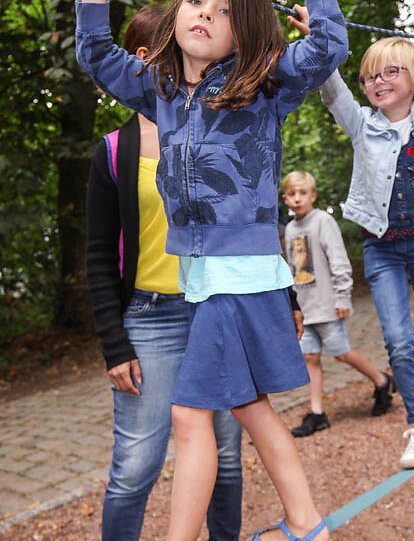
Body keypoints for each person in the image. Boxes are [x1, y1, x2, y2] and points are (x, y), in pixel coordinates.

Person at [76, 1, 348, 540]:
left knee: (189, 416)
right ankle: (305, 524)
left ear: (243, 30)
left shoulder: (264, 82)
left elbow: (327, 46)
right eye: (197, 3)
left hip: (240, 277)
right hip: (204, 281)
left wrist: (321, 9)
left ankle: (294, 525)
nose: (205, 15)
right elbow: (96, 54)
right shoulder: (161, 90)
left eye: (223, 11)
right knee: (250, 407)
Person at [289, 0, 414, 469]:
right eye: (369, 77)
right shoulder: (361, 125)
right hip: (383, 250)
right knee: (398, 341)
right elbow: (332, 89)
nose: (377, 82)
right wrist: (319, 39)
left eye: (389, 72)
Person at [85, 5, 243, 540]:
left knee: (226, 458)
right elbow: (99, 255)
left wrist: (285, 299)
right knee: (134, 469)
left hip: (219, 310)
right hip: (149, 320)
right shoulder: (113, 151)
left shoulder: (222, 133)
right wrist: (115, 345)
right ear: (142, 61)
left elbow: (248, 225)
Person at [282, 171, 395, 437]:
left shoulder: (323, 221)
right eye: (291, 194)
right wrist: (293, 306)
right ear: (285, 198)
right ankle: (317, 413)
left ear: (313, 196)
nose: (297, 199)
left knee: (341, 353)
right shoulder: (289, 229)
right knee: (310, 357)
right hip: (305, 307)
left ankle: (382, 381)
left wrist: (343, 296)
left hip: (327, 304)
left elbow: (339, 260)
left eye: (302, 193)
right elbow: (292, 269)